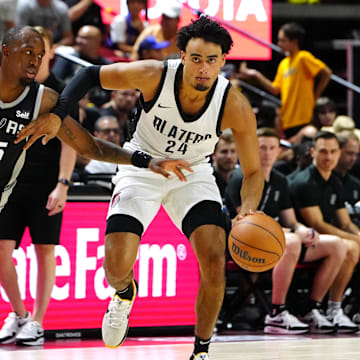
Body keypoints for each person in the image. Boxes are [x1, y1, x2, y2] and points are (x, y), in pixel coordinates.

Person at [18, 16, 264, 360]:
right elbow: (90, 75)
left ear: (223, 61)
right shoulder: (155, 74)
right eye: (195, 59)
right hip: (140, 167)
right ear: (182, 56)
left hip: (192, 174)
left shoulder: (234, 104)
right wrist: (59, 113)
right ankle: (123, 293)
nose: (203, 69)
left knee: (213, 259)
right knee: (115, 266)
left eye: (211, 60)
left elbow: (253, 171)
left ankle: (202, 351)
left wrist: (248, 210)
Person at [0, 25, 191, 345]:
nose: (34, 61)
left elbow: (90, 147)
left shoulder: (46, 100)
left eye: (39, 54)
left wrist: (147, 161)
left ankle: (34, 320)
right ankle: (20, 314)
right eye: (26, 53)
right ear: (5, 53)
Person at [225, 127, 349, 334]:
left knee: (337, 245)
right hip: (243, 244)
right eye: (262, 147)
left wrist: (304, 230)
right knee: (290, 241)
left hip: (277, 242)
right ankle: (276, 313)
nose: (267, 152)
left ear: (278, 151)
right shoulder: (239, 177)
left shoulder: (280, 180)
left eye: (272, 148)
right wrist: (290, 233)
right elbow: (246, 223)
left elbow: (291, 220)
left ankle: (311, 308)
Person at [289, 131, 360, 332]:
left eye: (333, 152)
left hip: (327, 240)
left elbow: (345, 223)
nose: (328, 157)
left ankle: (342, 308)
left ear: (339, 153)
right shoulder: (304, 183)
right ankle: (324, 307)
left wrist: (357, 235)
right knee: (351, 247)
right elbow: (317, 224)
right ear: (312, 152)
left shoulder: (335, 182)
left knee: (353, 244)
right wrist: (355, 239)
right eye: (323, 152)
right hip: (305, 242)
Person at [239, 22, 332, 138]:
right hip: (287, 120)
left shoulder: (303, 57)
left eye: (283, 40)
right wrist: (256, 74)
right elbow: (275, 89)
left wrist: (315, 96)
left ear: (294, 41)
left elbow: (326, 73)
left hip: (303, 118)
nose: (279, 44)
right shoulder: (283, 64)